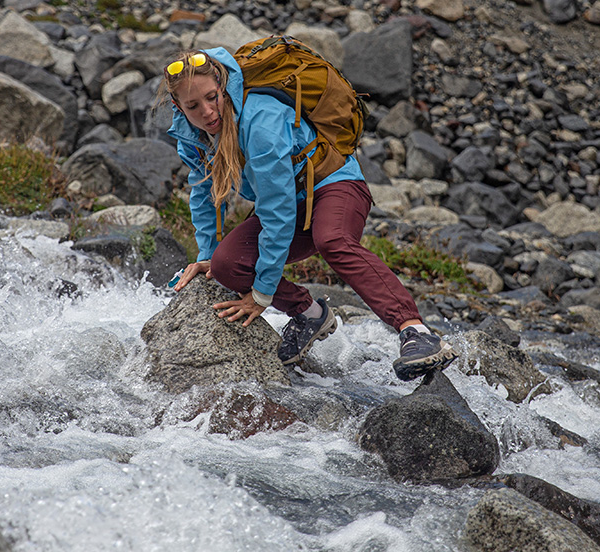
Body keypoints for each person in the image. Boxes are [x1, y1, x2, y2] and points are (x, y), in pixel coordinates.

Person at [161, 46, 457, 381]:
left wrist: (261, 295)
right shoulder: (192, 136)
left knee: (332, 239)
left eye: (212, 97)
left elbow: (277, 211)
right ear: (178, 106)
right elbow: (205, 193)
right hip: (292, 201)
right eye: (193, 106)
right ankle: (310, 315)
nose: (207, 112)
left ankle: (416, 331)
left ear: (223, 87)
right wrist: (207, 256)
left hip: (335, 184)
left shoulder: (261, 120)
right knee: (226, 264)